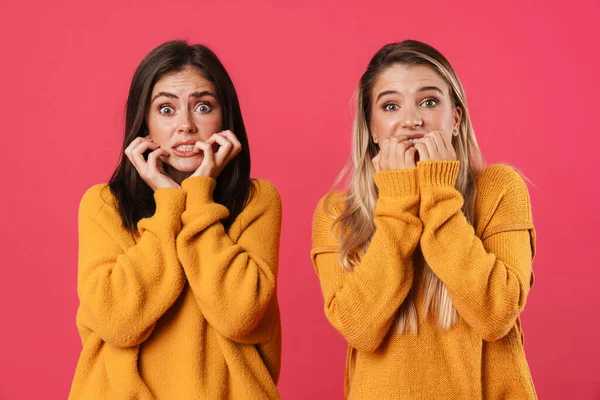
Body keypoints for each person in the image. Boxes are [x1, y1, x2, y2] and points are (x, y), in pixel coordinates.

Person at [311, 40, 537, 399]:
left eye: (429, 102)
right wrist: (398, 203)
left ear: (456, 118)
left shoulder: (499, 188)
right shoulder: (338, 214)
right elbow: (360, 327)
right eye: (390, 106)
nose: (411, 119)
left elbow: (495, 314)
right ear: (371, 127)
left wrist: (439, 194)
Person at [69, 40, 282, 399]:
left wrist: (199, 195)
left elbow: (240, 315)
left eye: (202, 106)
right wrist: (169, 204)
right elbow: (118, 322)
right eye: (166, 109)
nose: (186, 125)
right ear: (145, 122)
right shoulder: (103, 205)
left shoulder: (256, 201)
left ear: (225, 118)